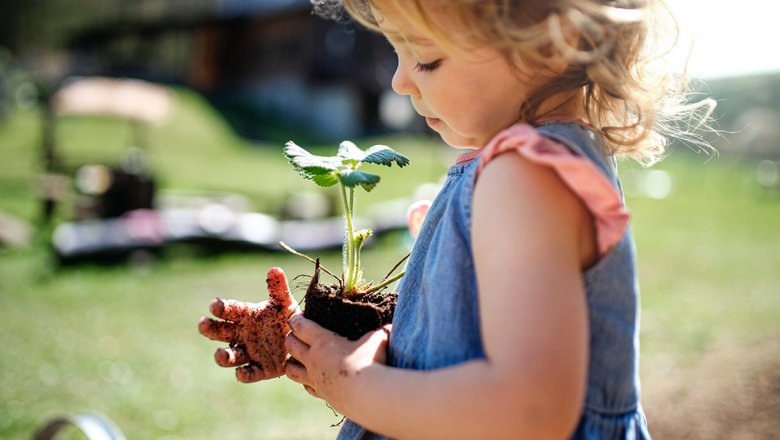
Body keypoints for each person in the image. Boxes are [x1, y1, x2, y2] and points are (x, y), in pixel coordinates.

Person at [199, 0, 713, 438]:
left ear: (551, 43)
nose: (400, 81)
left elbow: (529, 411)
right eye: (397, 52)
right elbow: (451, 348)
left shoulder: (525, 177)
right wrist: (312, 342)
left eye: (426, 58)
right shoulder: (521, 168)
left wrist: (354, 384)